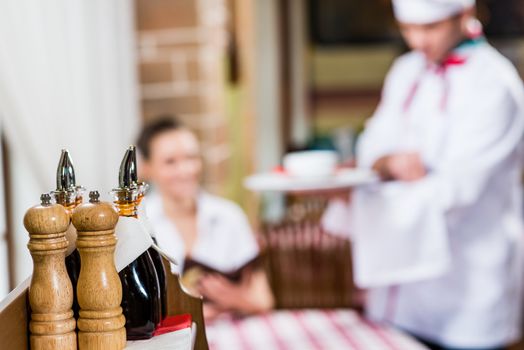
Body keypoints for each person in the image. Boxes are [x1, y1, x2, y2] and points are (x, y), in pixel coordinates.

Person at [351, 1, 524, 349]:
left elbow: (458, 190)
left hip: (468, 286)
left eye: (430, 28)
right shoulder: (405, 70)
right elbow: (372, 145)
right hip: (399, 289)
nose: (417, 41)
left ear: (464, 15)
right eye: (407, 29)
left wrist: (361, 197)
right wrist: (387, 163)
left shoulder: (495, 84)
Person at [137, 117, 274, 320]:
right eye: (170, 162)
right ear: (147, 168)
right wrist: (197, 310)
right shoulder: (138, 224)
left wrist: (232, 298)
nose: (186, 170)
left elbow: (263, 301)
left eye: (192, 158)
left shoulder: (230, 216)